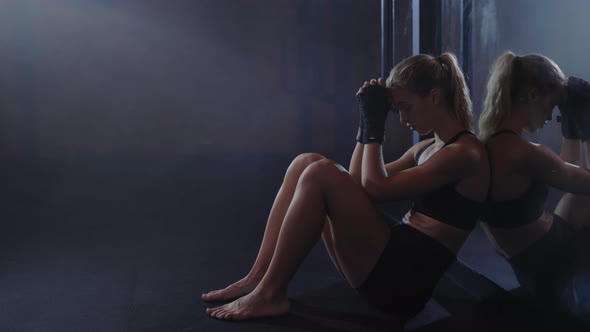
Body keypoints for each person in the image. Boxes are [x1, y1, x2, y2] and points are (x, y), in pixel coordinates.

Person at [202, 53, 489, 321]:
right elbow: (357, 184)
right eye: (396, 110)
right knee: (308, 162)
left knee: (321, 173)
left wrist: (376, 127)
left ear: (435, 97)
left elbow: (376, 188)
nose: (403, 119)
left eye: (405, 107)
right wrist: (366, 123)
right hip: (391, 259)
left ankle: (270, 294)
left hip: (403, 284)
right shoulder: (428, 147)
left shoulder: (465, 153)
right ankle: (258, 278)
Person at [478, 51, 590, 320]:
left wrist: (572, 128)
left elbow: (565, 174)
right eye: (551, 106)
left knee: (582, 197)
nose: (551, 117)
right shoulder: (526, 154)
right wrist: (587, 126)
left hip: (529, 261)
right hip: (551, 266)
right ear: (532, 96)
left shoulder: (487, 143)